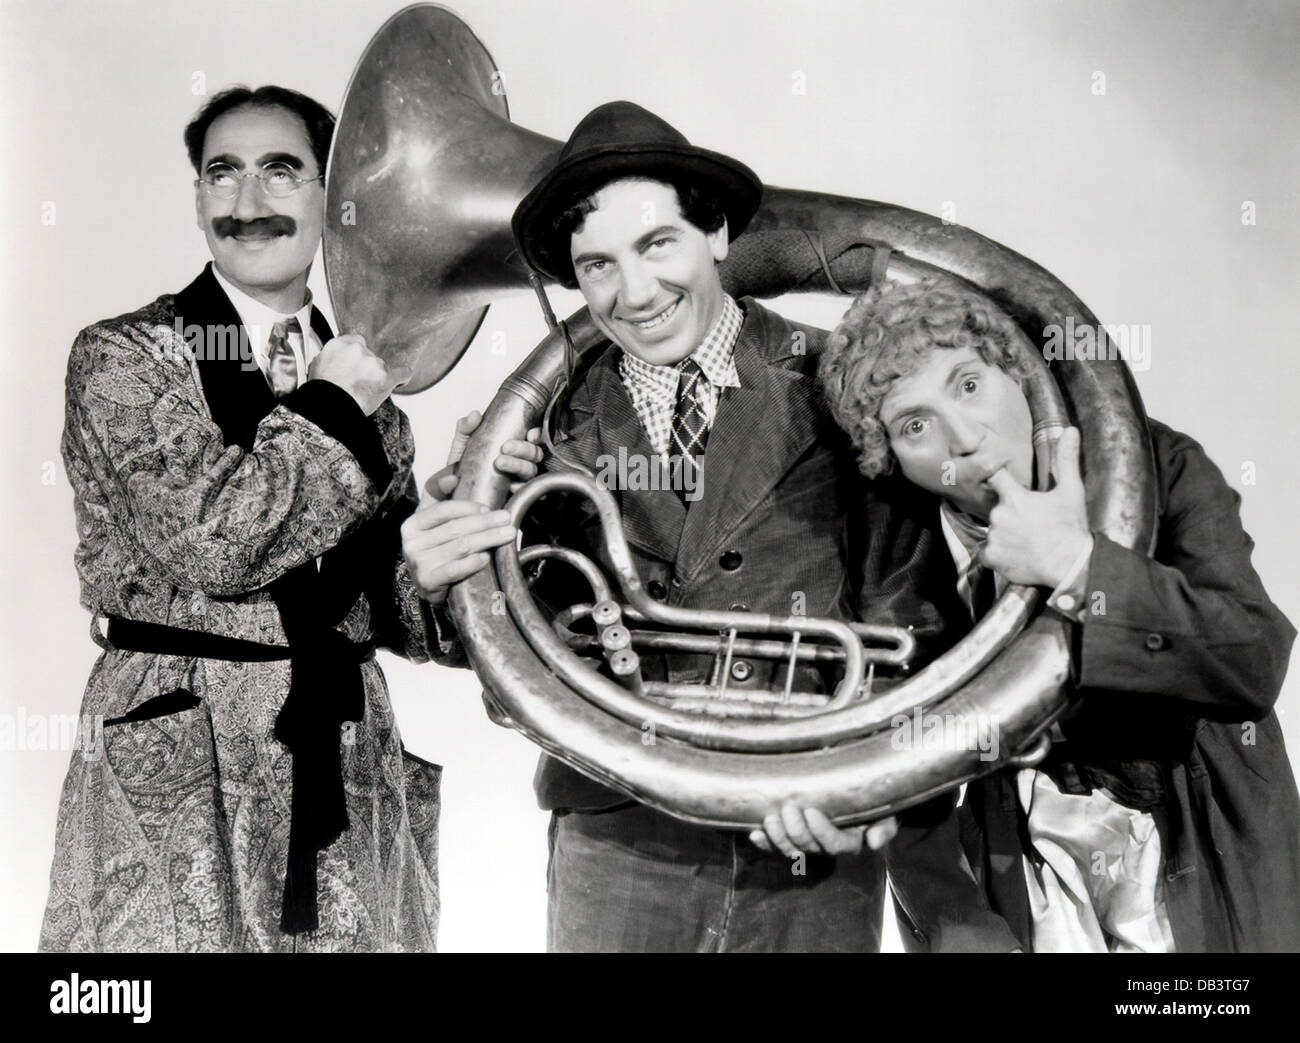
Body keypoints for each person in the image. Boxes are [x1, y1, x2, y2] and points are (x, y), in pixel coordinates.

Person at [40, 85, 521, 952]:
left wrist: (451, 532)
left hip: (338, 750)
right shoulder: (122, 356)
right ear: (196, 198)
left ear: (332, 204)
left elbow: (394, 615)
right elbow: (215, 540)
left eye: (281, 172)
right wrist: (337, 403)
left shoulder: (375, 393)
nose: (249, 203)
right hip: (179, 753)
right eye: (223, 173)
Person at [468, 100, 938, 952]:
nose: (635, 292)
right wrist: (471, 539)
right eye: (598, 265)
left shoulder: (841, 378)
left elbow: (911, 611)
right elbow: (515, 657)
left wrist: (875, 786)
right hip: (619, 839)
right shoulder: (545, 427)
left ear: (717, 232)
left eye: (657, 245)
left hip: (807, 826)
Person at [819, 278, 1300, 952]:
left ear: (1018, 374)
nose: (964, 438)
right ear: (887, 455)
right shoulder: (895, 553)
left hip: (1197, 849)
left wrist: (1079, 563)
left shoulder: (1158, 465)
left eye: (967, 385)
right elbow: (902, 770)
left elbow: (1251, 657)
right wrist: (953, 917)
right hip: (1027, 871)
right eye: (915, 424)